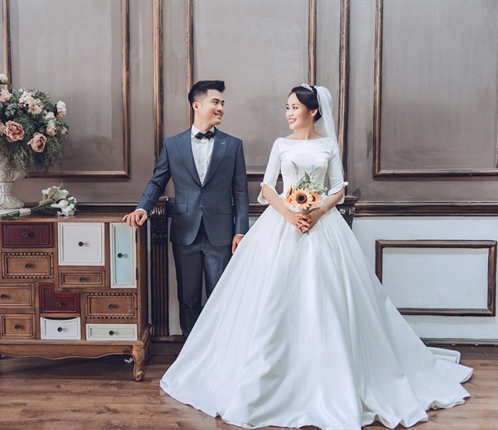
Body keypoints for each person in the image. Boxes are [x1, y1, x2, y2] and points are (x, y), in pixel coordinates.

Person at [159, 84, 472, 430]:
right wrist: (290, 214)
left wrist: (317, 212)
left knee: (327, 298)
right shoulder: (281, 144)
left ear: (313, 111)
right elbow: (267, 188)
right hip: (282, 224)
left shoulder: (328, 145)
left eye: (294, 107)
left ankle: (333, 375)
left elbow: (338, 188)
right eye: (287, 107)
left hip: (322, 225)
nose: (289, 113)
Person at [123, 80, 250, 338]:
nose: (221, 108)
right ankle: (191, 352)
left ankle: (220, 349)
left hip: (221, 234)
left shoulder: (233, 145)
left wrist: (241, 231)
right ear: (197, 105)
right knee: (188, 298)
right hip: (185, 232)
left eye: (222, 103)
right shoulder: (173, 145)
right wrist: (142, 208)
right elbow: (157, 181)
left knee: (221, 296)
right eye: (215, 102)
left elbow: (240, 192)